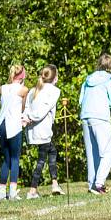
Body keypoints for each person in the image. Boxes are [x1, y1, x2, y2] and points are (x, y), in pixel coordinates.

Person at [79, 53, 111, 195]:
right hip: (100, 117)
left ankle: (92, 184)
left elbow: (80, 100)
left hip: (85, 116)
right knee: (108, 152)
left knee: (92, 153)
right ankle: (99, 183)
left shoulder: (88, 79)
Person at [23, 65, 64, 199]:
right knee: (42, 159)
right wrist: (29, 117)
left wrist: (26, 117)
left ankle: (55, 184)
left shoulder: (33, 90)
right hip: (42, 130)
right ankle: (32, 190)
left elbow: (27, 108)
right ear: (55, 78)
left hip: (34, 129)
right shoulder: (54, 91)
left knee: (52, 151)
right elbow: (41, 112)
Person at [0, 65, 28, 201]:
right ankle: (13, 192)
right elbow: (23, 107)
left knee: (6, 159)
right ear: (22, 76)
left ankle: (2, 192)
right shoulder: (23, 89)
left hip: (2, 125)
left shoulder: (2, 88)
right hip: (14, 126)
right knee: (15, 159)